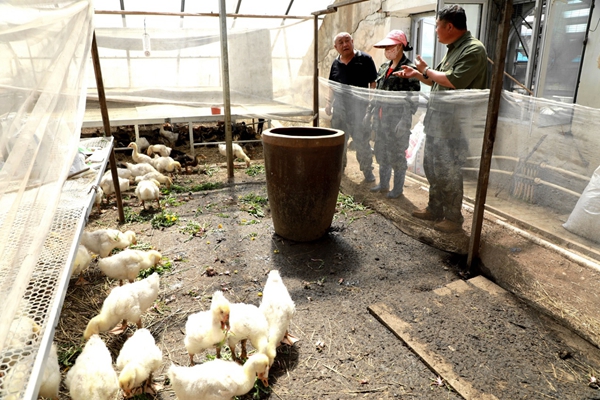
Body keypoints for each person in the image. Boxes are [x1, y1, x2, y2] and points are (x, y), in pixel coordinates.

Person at [395, 5, 488, 233]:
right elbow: (438, 79)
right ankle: (434, 209)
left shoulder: (473, 50)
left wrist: (427, 70)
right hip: (437, 122)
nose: (435, 30)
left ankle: (453, 218)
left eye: (437, 26)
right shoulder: (452, 49)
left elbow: (454, 81)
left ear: (449, 26)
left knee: (449, 171)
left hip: (454, 126)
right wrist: (418, 74)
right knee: (432, 167)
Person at [366, 30, 420, 198]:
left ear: (399, 46)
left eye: (389, 47)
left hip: (397, 122)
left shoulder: (409, 69)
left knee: (397, 155)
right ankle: (383, 184)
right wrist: (370, 112)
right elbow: (377, 93)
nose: (386, 50)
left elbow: (413, 98)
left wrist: (404, 121)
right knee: (381, 151)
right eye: (385, 47)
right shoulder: (384, 68)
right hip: (381, 120)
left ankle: (397, 189)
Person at [326, 32, 378, 182]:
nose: (345, 45)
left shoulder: (365, 59)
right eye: (341, 42)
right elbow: (332, 85)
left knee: (361, 141)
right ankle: (339, 169)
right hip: (339, 110)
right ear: (336, 47)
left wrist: (370, 105)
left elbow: (373, 84)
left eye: (347, 41)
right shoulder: (335, 63)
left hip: (359, 110)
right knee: (339, 141)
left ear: (352, 41)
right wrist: (329, 103)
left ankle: (367, 171)